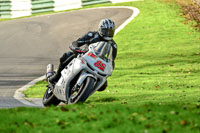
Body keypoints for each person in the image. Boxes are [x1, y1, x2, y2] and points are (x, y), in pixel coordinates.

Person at [48, 18, 117, 91]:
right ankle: (55, 78)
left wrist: (109, 70)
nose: (108, 34)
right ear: (100, 29)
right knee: (66, 56)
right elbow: (76, 43)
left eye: (110, 32)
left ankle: (84, 90)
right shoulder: (92, 35)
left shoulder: (113, 46)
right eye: (106, 31)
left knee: (103, 85)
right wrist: (77, 48)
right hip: (84, 57)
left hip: (97, 65)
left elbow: (111, 61)